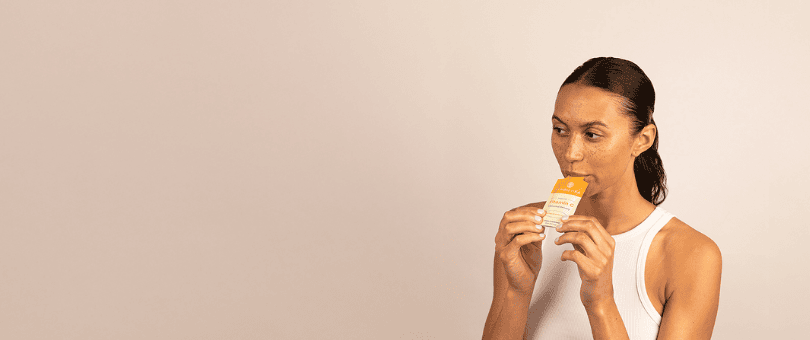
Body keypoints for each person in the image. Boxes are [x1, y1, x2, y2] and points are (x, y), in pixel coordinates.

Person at [482, 57, 722, 340]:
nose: (570, 153)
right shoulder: (525, 232)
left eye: (592, 135)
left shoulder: (692, 255)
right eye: (560, 130)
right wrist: (516, 292)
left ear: (642, 140)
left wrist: (601, 304)